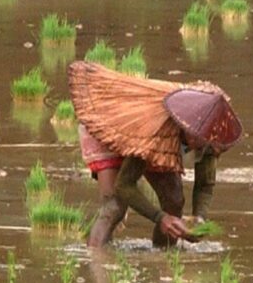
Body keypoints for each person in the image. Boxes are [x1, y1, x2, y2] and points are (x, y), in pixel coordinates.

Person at [67, 60, 242, 248]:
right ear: (185, 127)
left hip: (154, 140)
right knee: (114, 206)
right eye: (197, 138)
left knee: (174, 201)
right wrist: (159, 218)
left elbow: (205, 185)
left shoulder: (213, 133)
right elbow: (124, 185)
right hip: (113, 124)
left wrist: (199, 218)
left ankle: (162, 257)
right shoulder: (158, 131)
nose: (202, 146)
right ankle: (97, 259)